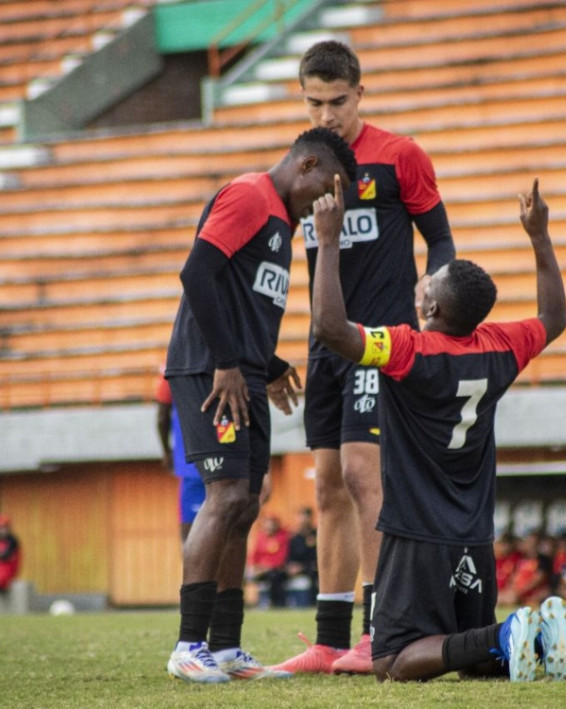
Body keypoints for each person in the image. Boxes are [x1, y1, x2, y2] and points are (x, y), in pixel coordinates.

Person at [307, 174, 566, 682]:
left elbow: (329, 329)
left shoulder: (407, 350)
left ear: (430, 308)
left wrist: (327, 240)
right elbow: (553, 317)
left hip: (415, 532)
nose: (423, 280)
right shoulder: (500, 344)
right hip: (473, 532)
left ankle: (506, 632)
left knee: (390, 659)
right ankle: (532, 637)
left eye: (430, 280)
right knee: (472, 662)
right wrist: (539, 236)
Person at [270, 39, 456, 676]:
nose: (326, 114)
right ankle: (329, 638)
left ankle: (383, 630)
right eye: (314, 101)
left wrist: (431, 307)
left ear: (360, 92)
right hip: (323, 345)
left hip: (380, 343)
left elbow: (442, 242)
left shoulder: (401, 155)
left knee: (362, 474)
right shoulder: (303, 165)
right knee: (325, 486)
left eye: (338, 101)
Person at [163, 127, 357, 684]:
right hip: (211, 371)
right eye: (330, 185)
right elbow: (196, 273)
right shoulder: (250, 195)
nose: (330, 199)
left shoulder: (282, 223)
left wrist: (265, 364)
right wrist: (227, 361)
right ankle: (188, 645)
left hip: (243, 372)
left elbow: (238, 300)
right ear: (308, 164)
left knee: (247, 503)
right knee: (224, 498)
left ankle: (224, 648)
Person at [156, 370, 206, 543]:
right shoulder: (226, 359)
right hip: (227, 463)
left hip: (192, 466)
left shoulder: (172, 369)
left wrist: (166, 451)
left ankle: (193, 570)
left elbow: (162, 416)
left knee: (190, 535)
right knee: (229, 530)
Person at [249, 516, 290, 608]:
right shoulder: (260, 536)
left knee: (274, 576)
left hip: (275, 569)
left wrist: (265, 568)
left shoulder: (282, 537)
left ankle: (275, 603)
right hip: (260, 570)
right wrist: (255, 567)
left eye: (271, 525)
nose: (269, 528)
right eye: (267, 525)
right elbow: (254, 555)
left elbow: (281, 558)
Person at [284, 507, 318, 608]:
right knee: (276, 575)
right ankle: (279, 603)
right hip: (295, 568)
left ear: (310, 518)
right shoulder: (294, 537)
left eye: (306, 517)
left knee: (313, 573)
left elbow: (316, 556)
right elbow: (289, 555)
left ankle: (311, 604)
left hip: (311, 567)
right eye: (301, 517)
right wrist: (290, 567)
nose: (303, 520)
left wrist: (302, 567)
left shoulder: (316, 535)